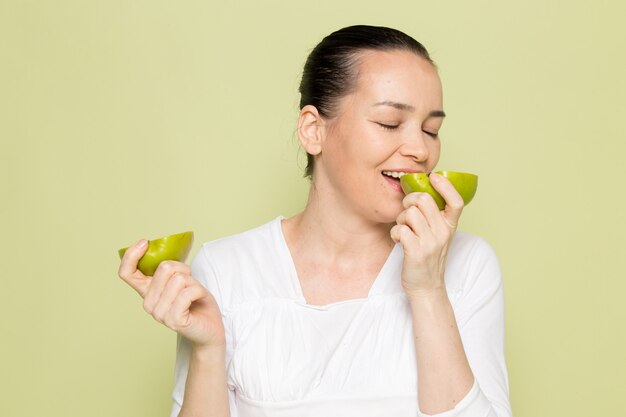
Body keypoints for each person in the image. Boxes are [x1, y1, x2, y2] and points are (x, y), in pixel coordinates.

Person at [119, 25, 512, 417]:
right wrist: (208, 349)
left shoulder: (467, 265)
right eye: (390, 123)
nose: (420, 150)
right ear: (313, 131)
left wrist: (428, 290)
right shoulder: (224, 270)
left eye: (431, 130)